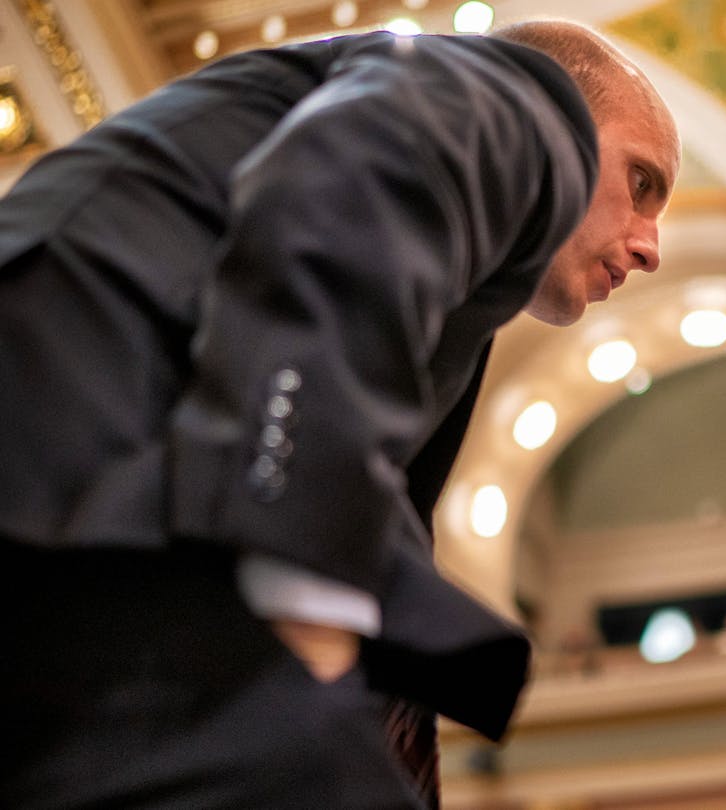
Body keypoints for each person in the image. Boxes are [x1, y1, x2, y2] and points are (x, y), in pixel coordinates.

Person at [0, 18, 678, 810]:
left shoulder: (447, 270)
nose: (650, 246)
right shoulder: (514, 98)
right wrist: (308, 593)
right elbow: (340, 199)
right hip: (79, 464)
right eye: (640, 183)